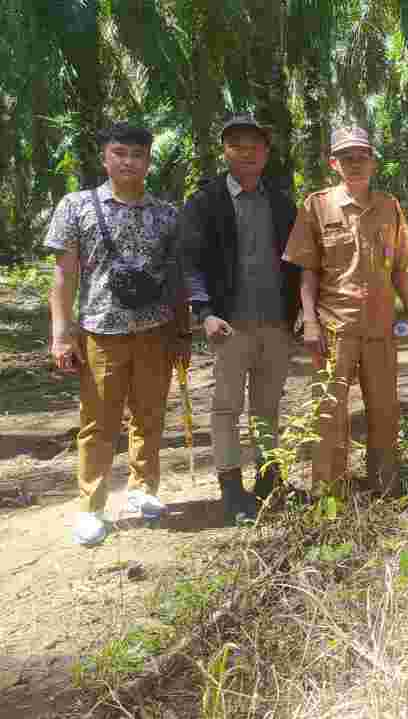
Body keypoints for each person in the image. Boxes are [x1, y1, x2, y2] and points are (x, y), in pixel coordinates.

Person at [46, 122, 189, 546]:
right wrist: (60, 333)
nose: (128, 162)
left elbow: (176, 278)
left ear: (149, 161)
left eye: (137, 155)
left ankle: (143, 491)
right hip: (100, 333)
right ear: (105, 157)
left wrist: (182, 333)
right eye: (120, 153)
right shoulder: (77, 207)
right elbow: (64, 276)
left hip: (155, 332)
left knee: (149, 416)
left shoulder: (167, 214)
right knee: (99, 423)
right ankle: (91, 507)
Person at [282, 127, 408, 496]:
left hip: (380, 328)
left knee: (385, 411)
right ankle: (329, 495)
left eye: (362, 157)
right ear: (334, 164)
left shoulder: (390, 207)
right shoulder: (316, 205)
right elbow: (307, 270)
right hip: (334, 328)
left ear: (373, 162)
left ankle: (386, 488)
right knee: (329, 413)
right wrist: (309, 321)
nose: (355, 164)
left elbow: (400, 266)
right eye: (347, 158)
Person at [179, 114, 301, 524]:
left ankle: (269, 482)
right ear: (225, 151)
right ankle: (232, 490)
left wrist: (300, 314)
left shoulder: (282, 202)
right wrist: (205, 312)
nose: (246, 152)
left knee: (267, 409)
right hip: (229, 325)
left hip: (276, 324)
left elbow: (299, 264)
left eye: (254, 145)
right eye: (237, 144)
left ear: (266, 153)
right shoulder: (205, 201)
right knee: (226, 409)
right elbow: (190, 262)